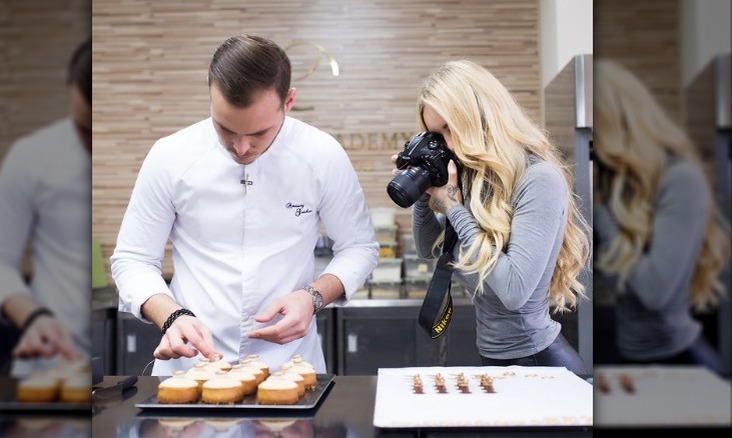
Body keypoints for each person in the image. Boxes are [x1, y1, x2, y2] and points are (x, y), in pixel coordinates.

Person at [111, 34, 378, 376]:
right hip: (191, 364)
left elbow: (359, 247)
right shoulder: (169, 156)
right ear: (210, 96)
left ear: (289, 101)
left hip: (290, 365)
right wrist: (170, 316)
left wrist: (313, 296)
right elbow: (132, 259)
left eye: (259, 133)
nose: (240, 148)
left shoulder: (322, 155)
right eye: (226, 129)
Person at [399, 59, 590, 374]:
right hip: (496, 362)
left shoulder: (538, 179)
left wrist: (453, 209)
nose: (445, 144)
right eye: (435, 135)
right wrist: (423, 191)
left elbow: (513, 291)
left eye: (449, 128)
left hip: (539, 364)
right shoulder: (476, 182)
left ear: (480, 116)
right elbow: (430, 247)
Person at [593, 59, 729, 376]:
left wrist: (600, 211)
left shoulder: (679, 180)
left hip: (681, 363)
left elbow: (653, 291)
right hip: (631, 359)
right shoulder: (623, 188)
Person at [0, 37, 92, 376]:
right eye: (84, 129)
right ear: (69, 93)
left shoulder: (158, 159)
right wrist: (32, 316)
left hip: (120, 373)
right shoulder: (30, 157)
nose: (90, 143)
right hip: (47, 361)